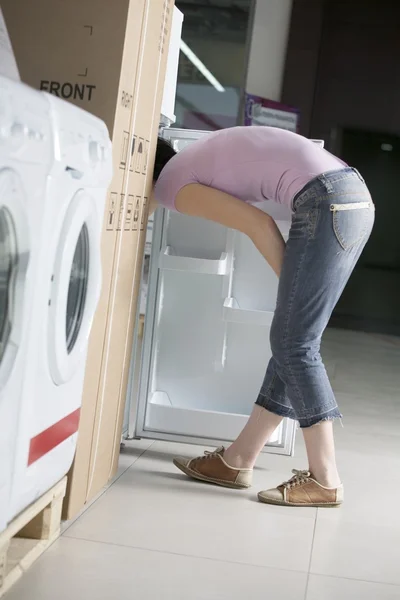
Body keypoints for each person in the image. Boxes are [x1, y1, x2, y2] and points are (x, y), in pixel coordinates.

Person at [151, 126, 374, 508]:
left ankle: (326, 478)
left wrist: (293, 292)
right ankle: (237, 460)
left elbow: (259, 224)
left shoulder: (169, 184)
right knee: (292, 340)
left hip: (326, 200)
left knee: (294, 343)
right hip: (355, 197)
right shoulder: (196, 157)